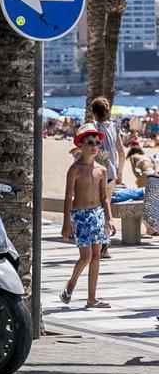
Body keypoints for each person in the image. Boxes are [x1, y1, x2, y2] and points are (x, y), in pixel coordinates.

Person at [59, 123, 116, 309]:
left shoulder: (102, 170)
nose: (94, 146)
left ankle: (92, 298)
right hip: (80, 215)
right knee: (86, 257)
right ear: (81, 145)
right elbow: (68, 197)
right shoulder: (74, 170)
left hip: (97, 214)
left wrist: (109, 218)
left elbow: (104, 198)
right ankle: (71, 283)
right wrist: (66, 223)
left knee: (96, 257)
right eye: (90, 142)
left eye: (97, 143)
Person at [91, 96, 125, 259]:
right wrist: (119, 173)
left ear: (93, 112)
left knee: (98, 208)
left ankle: (101, 246)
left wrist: (103, 156)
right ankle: (104, 247)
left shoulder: (93, 127)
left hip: (97, 173)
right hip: (111, 173)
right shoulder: (115, 126)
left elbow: (95, 151)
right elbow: (121, 153)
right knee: (106, 207)